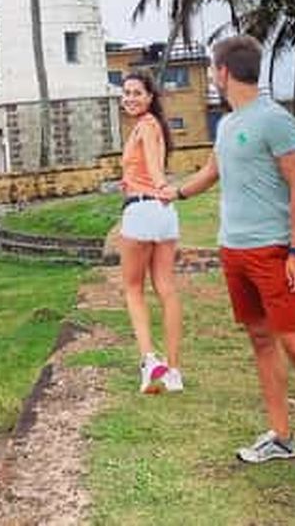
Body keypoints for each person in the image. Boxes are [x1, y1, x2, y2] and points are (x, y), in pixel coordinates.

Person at [160, 36, 295, 489]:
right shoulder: (228, 125)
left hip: (272, 251)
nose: (212, 74)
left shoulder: (274, 120)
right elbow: (213, 171)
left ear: (223, 71)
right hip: (234, 250)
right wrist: (176, 192)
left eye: (212, 68)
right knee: (261, 341)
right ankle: (281, 436)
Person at [119, 71, 183, 394]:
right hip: (163, 214)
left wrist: (159, 185)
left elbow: (155, 169)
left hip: (143, 209)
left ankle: (149, 358)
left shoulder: (144, 126)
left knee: (132, 288)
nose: (129, 98)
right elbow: (150, 165)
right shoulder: (155, 126)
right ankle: (173, 371)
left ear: (150, 97)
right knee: (166, 289)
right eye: (126, 92)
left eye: (136, 93)